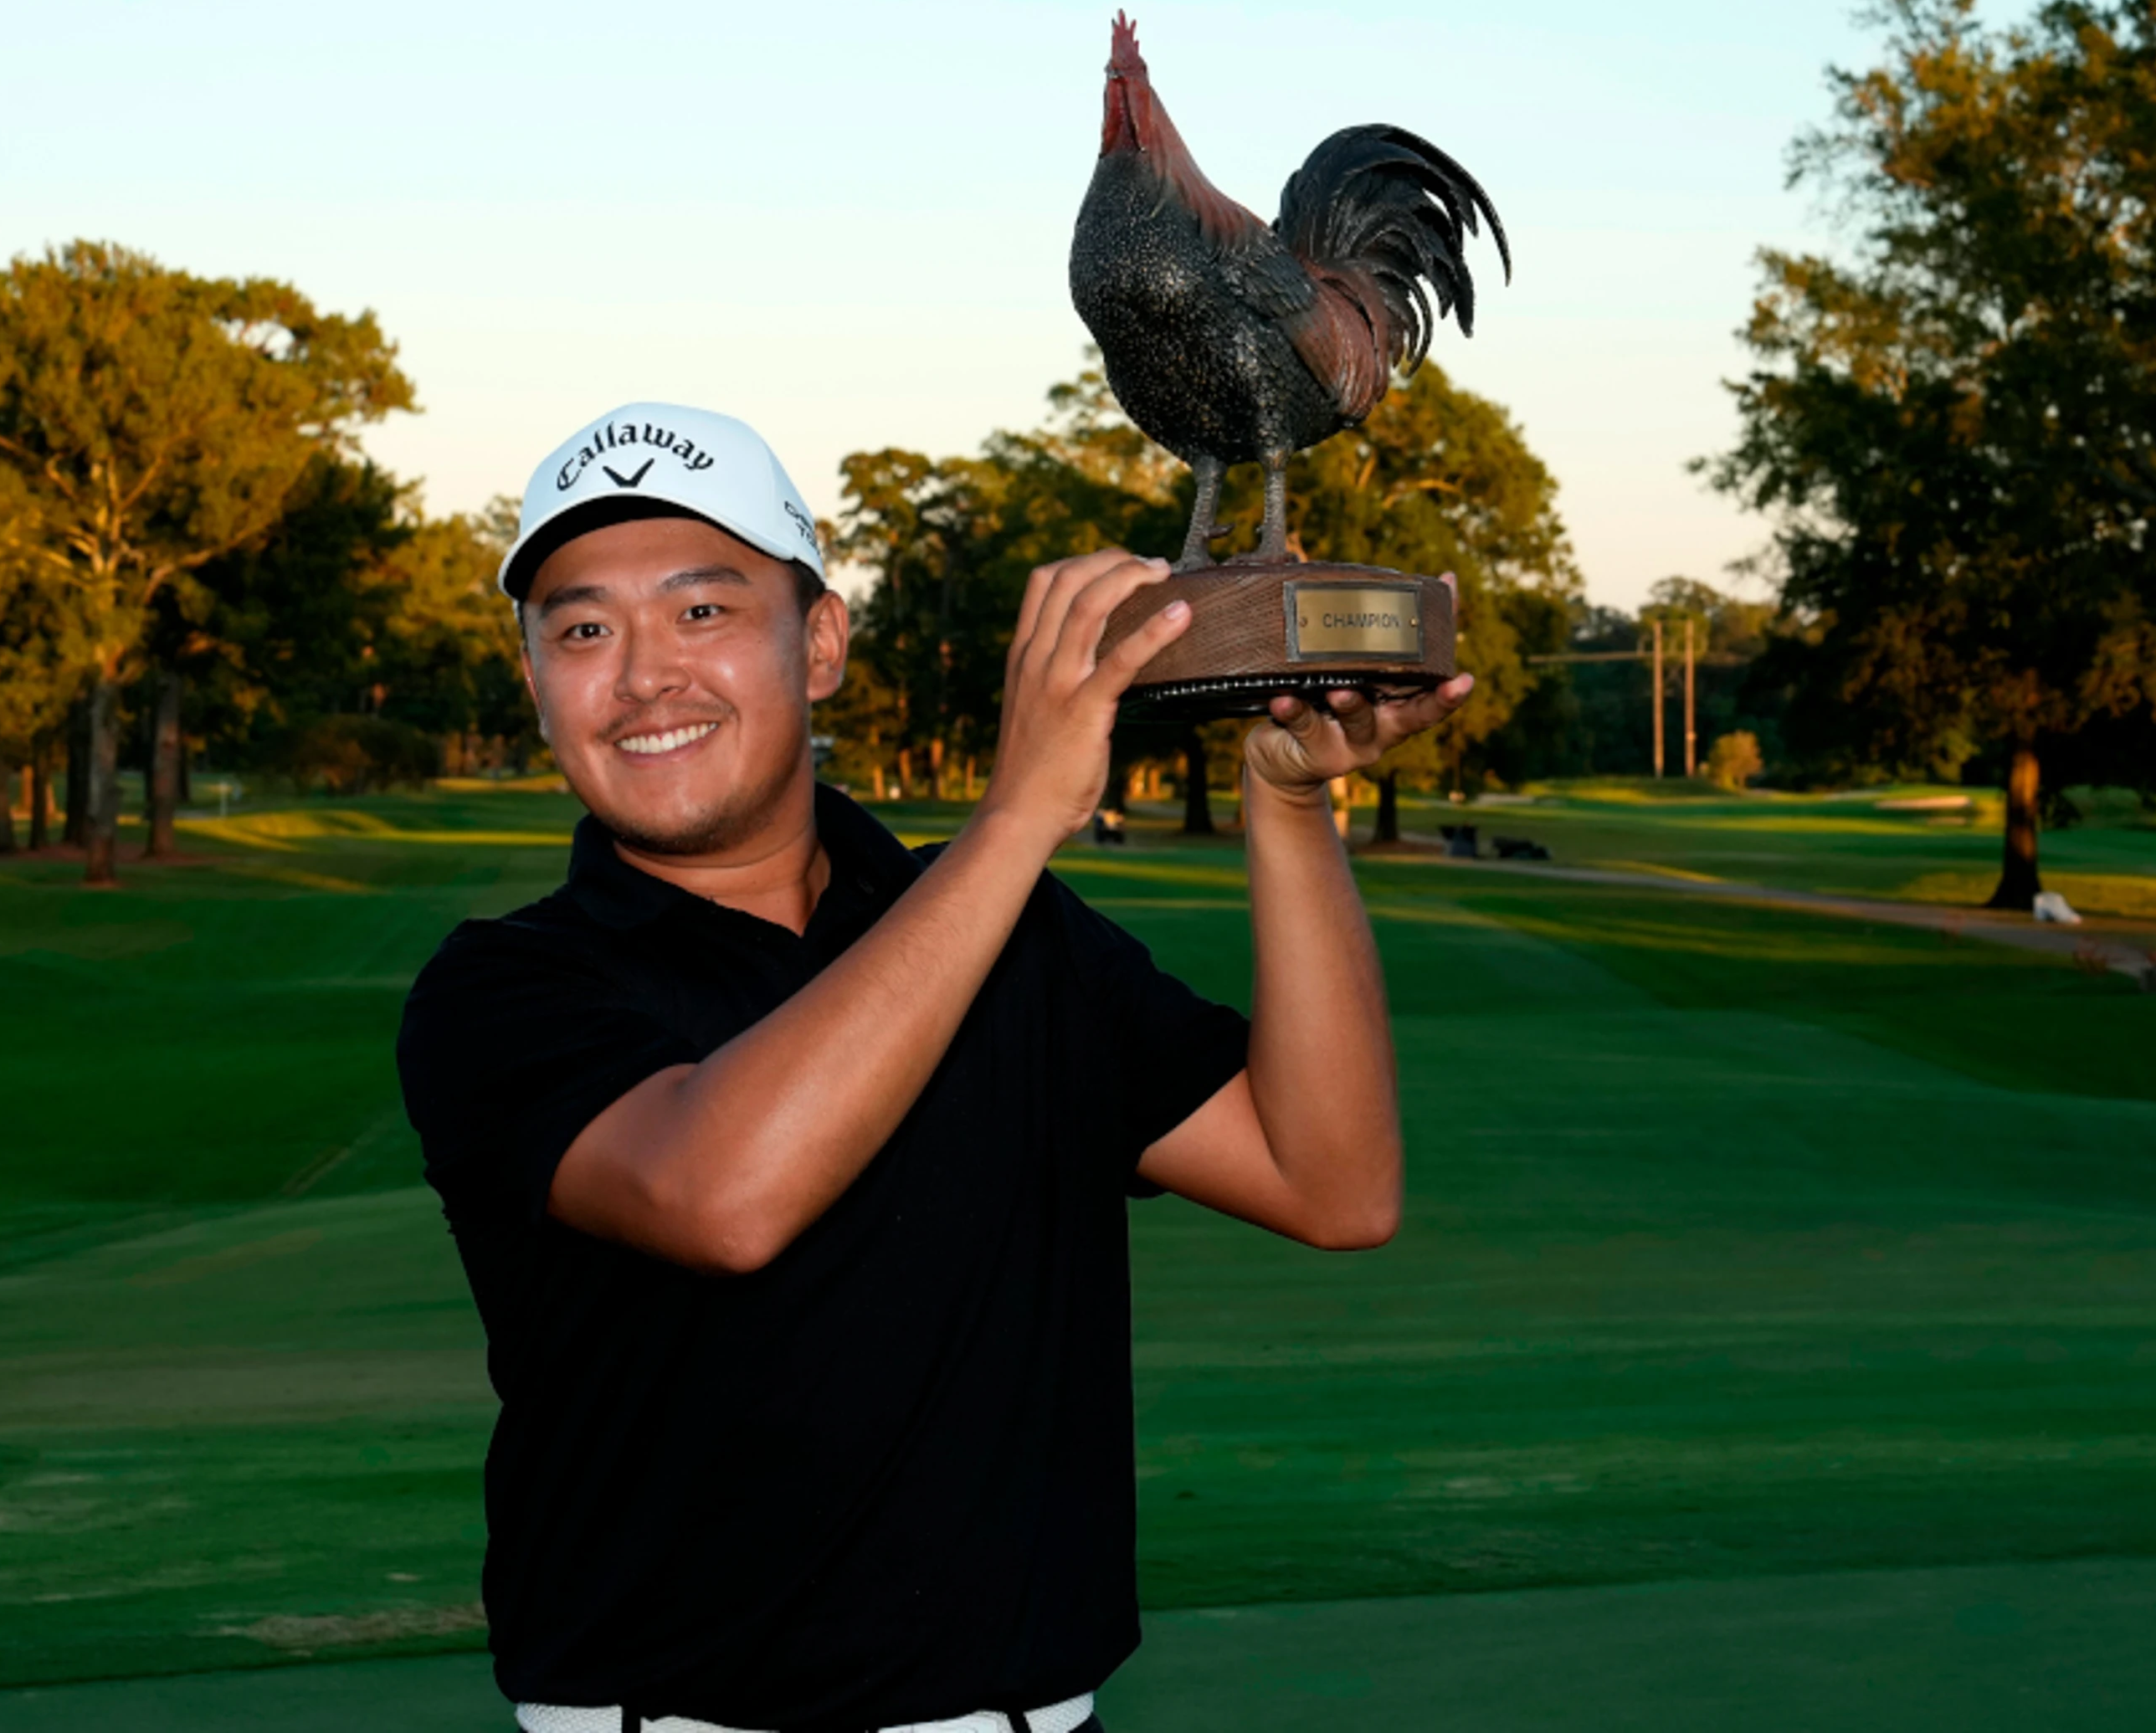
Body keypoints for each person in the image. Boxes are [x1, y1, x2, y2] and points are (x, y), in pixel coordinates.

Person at [398, 402, 1472, 1733]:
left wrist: (1289, 801)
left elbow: (1333, 1184)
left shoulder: (1020, 941)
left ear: (824, 645)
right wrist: (1021, 811)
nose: (639, 678)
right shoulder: (505, 988)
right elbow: (725, 1197)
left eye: (701, 612)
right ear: (537, 687)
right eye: (580, 630)